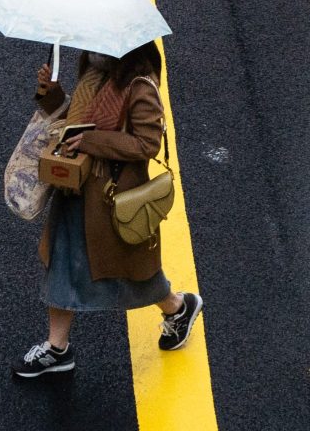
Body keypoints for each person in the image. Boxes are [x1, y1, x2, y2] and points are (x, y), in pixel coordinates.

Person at [11, 41, 204, 378]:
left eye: (97, 41)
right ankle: (57, 348)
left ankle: (177, 306)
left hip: (110, 202)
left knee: (130, 272)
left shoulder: (140, 85)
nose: (89, 46)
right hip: (76, 190)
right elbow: (76, 120)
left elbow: (147, 143)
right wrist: (51, 93)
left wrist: (92, 142)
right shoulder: (94, 75)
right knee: (60, 263)